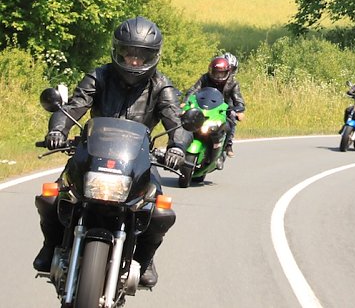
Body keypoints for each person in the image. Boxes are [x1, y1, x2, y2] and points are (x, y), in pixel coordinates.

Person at [33, 16, 190, 287]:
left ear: (153, 56)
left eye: (142, 56)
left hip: (137, 161)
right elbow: (74, 106)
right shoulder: (100, 76)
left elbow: (176, 120)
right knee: (51, 198)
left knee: (160, 212)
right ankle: (51, 246)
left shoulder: (161, 86)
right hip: (92, 154)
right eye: (129, 54)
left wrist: (177, 146)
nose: (134, 62)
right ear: (118, 51)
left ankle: (145, 256)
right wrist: (58, 131)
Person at [185, 53, 246, 157]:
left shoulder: (232, 82)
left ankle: (227, 145)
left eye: (221, 73)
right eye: (216, 73)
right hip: (204, 105)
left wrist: (239, 110)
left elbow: (238, 98)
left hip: (224, 108)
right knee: (188, 119)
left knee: (230, 121)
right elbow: (193, 90)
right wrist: (186, 101)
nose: (218, 76)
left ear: (227, 72)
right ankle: (181, 144)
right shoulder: (205, 78)